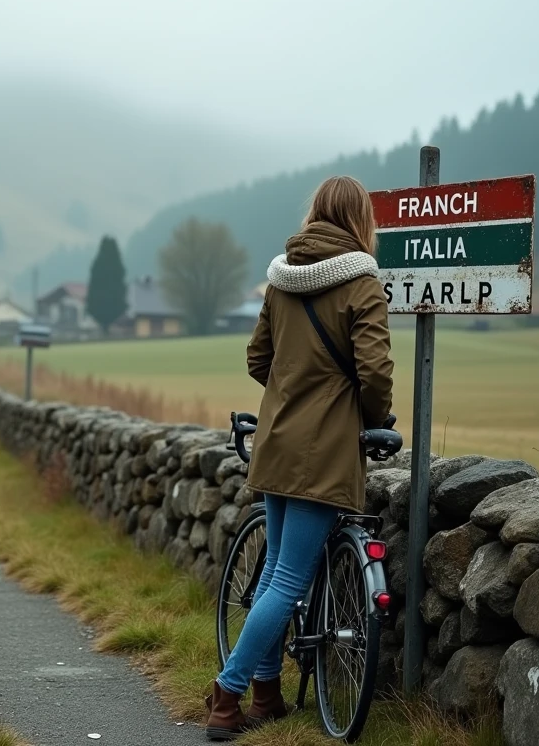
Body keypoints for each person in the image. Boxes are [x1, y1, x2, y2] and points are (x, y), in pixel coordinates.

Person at [204, 176, 395, 741]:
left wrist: (292, 390)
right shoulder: (361, 282)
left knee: (273, 574)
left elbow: (257, 358)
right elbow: (376, 376)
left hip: (277, 440)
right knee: (288, 577)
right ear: (361, 219)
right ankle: (227, 693)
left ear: (315, 213)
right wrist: (368, 418)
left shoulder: (281, 278)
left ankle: (265, 695)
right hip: (323, 451)